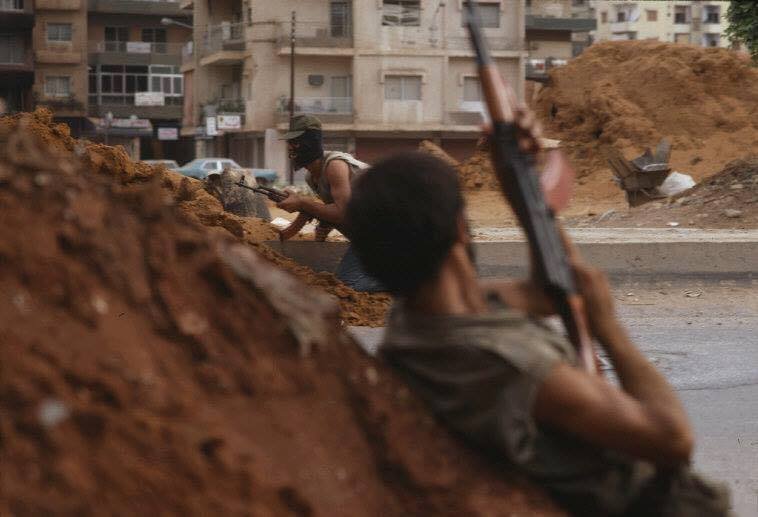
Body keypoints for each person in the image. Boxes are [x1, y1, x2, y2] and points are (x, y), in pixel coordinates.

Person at [344, 146, 731, 513]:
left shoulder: (415, 318)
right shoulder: (508, 364)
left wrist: (520, 179)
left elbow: (551, 292)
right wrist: (608, 329)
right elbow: (672, 438)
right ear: (461, 227)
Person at [277, 114, 383, 292]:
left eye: (295, 142)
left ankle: (410, 281)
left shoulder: (335, 165)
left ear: (310, 142)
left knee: (349, 284)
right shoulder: (312, 177)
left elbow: (342, 213)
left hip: (391, 230)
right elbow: (331, 210)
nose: (290, 147)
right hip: (371, 235)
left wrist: (303, 203)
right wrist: (321, 223)